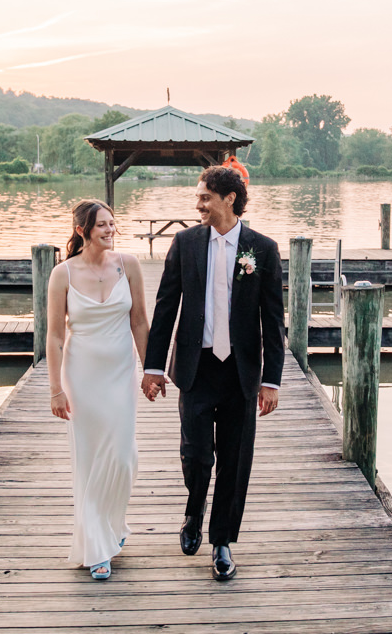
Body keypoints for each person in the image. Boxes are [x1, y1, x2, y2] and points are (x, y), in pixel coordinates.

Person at [140, 166, 284, 581]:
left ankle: (222, 542)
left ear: (229, 199)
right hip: (196, 367)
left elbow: (273, 320)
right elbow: (166, 306)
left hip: (241, 372)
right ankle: (194, 510)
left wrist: (271, 381)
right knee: (196, 454)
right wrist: (153, 367)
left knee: (235, 460)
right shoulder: (185, 243)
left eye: (205, 197)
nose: (198, 204)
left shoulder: (262, 249)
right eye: (198, 197)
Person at [47, 199, 149, 580]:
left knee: (123, 457)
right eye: (102, 225)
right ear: (82, 230)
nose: (110, 230)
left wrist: (150, 371)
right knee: (90, 460)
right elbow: (55, 336)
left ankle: (113, 524)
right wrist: (55, 389)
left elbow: (140, 322)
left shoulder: (129, 265)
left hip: (120, 374)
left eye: (112, 223)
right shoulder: (62, 274)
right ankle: (97, 547)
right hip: (82, 375)